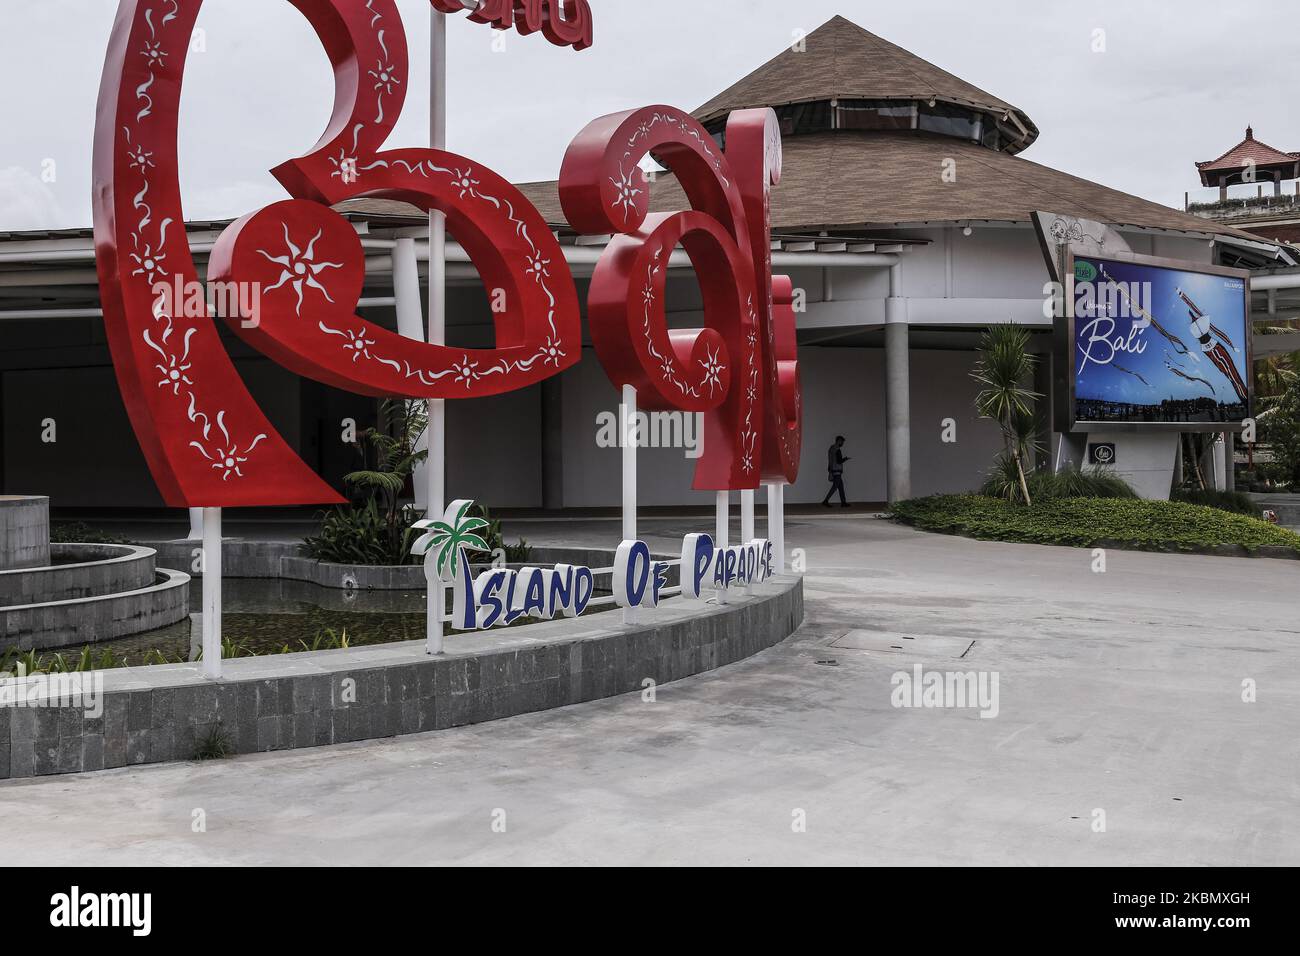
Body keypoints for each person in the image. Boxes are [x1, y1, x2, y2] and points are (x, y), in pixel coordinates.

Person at [822, 435, 850, 507]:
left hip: (833, 469)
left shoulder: (831, 448)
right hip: (837, 470)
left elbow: (831, 460)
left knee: (840, 486)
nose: (842, 443)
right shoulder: (837, 449)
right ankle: (825, 501)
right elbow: (839, 461)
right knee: (835, 487)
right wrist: (845, 459)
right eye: (842, 442)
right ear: (839, 441)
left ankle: (843, 502)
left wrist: (830, 469)